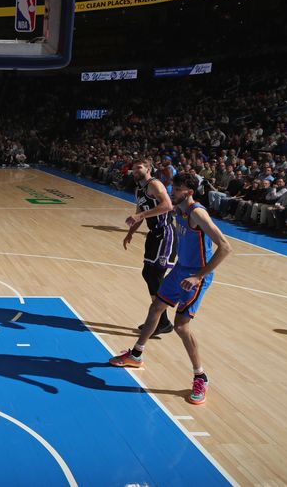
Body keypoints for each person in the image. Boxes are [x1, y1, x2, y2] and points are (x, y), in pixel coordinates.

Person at [111, 173, 232, 405]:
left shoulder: (197, 213)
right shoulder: (178, 209)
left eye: (176, 189)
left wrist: (198, 276)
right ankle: (136, 354)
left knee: (181, 326)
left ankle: (200, 376)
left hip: (196, 275)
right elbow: (159, 209)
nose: (171, 192)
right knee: (156, 306)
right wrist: (135, 224)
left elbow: (226, 247)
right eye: (172, 188)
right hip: (180, 270)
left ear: (189, 192)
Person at [123, 159, 177, 337]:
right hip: (154, 234)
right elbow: (139, 214)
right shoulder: (139, 190)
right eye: (133, 169)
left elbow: (167, 205)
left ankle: (162, 320)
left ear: (148, 169)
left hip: (165, 233)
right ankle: (162, 321)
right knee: (148, 273)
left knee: (156, 275)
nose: (135, 170)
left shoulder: (155, 184)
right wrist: (130, 233)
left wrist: (141, 215)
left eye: (139, 167)